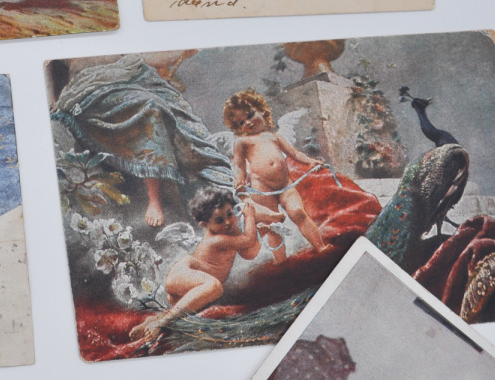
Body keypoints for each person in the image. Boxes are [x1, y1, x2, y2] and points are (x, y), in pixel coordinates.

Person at [51, 52, 234, 227]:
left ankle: (211, 169)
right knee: (151, 108)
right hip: (90, 88)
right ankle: (154, 198)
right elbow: (47, 67)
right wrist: (52, 101)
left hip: (131, 74)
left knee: (174, 108)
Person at [129, 187, 260, 342]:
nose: (227, 222)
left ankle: (152, 321)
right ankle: (163, 323)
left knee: (196, 302)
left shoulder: (231, 231)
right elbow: (248, 241)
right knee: (214, 287)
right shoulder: (217, 239)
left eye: (230, 214)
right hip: (183, 273)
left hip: (191, 287)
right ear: (204, 224)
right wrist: (250, 216)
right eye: (219, 220)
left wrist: (260, 232)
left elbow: (249, 253)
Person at [224, 90, 328, 257]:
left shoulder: (275, 137)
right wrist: (239, 180)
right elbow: (238, 165)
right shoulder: (243, 142)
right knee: (273, 226)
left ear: (262, 110)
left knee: (298, 212)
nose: (248, 122)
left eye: (250, 115)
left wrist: (310, 161)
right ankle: (281, 261)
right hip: (262, 187)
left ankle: (321, 247)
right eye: (241, 122)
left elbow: (295, 153)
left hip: (285, 184)